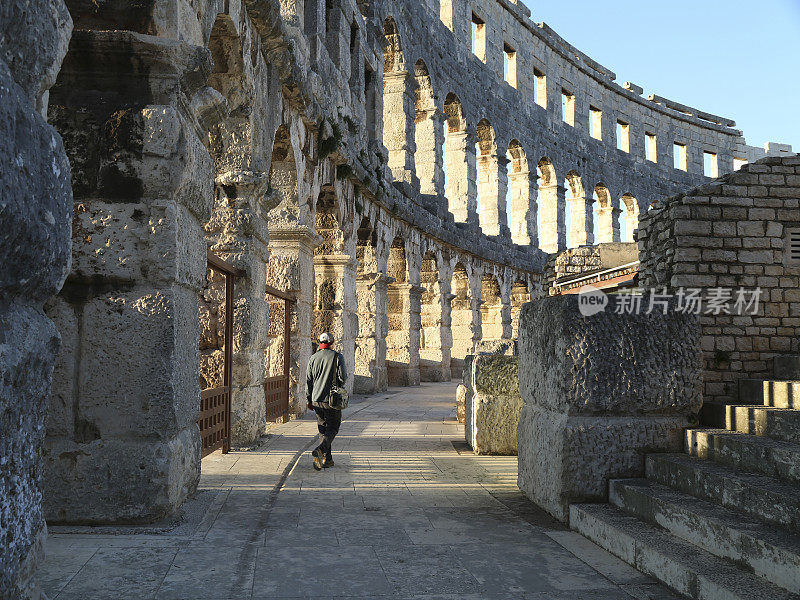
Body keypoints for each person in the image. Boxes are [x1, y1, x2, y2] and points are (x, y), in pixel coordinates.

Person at [306, 332, 348, 470]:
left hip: (316, 399)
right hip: (332, 399)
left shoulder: (313, 358)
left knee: (323, 429)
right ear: (332, 343)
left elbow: (309, 381)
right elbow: (343, 377)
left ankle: (326, 460)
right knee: (333, 427)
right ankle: (320, 450)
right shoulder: (337, 356)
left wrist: (309, 399)